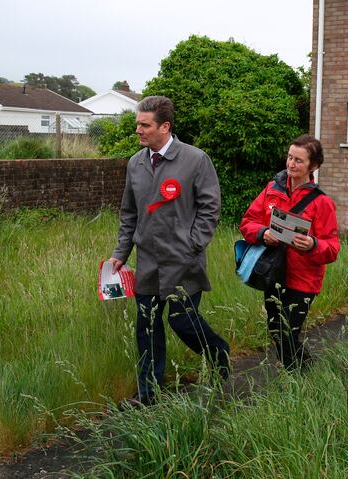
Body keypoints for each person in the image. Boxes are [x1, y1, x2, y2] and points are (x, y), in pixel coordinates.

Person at [108, 95, 230, 406]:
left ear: (165, 126)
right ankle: (148, 394)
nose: (138, 129)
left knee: (182, 321)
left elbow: (210, 208)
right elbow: (129, 213)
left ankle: (218, 354)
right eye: (137, 123)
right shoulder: (135, 163)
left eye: (144, 124)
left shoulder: (195, 160)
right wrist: (121, 252)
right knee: (147, 327)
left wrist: (193, 245)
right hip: (147, 261)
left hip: (183, 262)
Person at [239, 135, 340, 370]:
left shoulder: (322, 202)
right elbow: (247, 222)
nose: (291, 164)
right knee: (277, 331)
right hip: (272, 273)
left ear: (313, 166)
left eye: (299, 161)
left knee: (286, 333)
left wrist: (313, 245)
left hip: (303, 280)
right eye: (289, 157)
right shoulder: (272, 189)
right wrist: (263, 232)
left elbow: (332, 248)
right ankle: (308, 373)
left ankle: (297, 378)